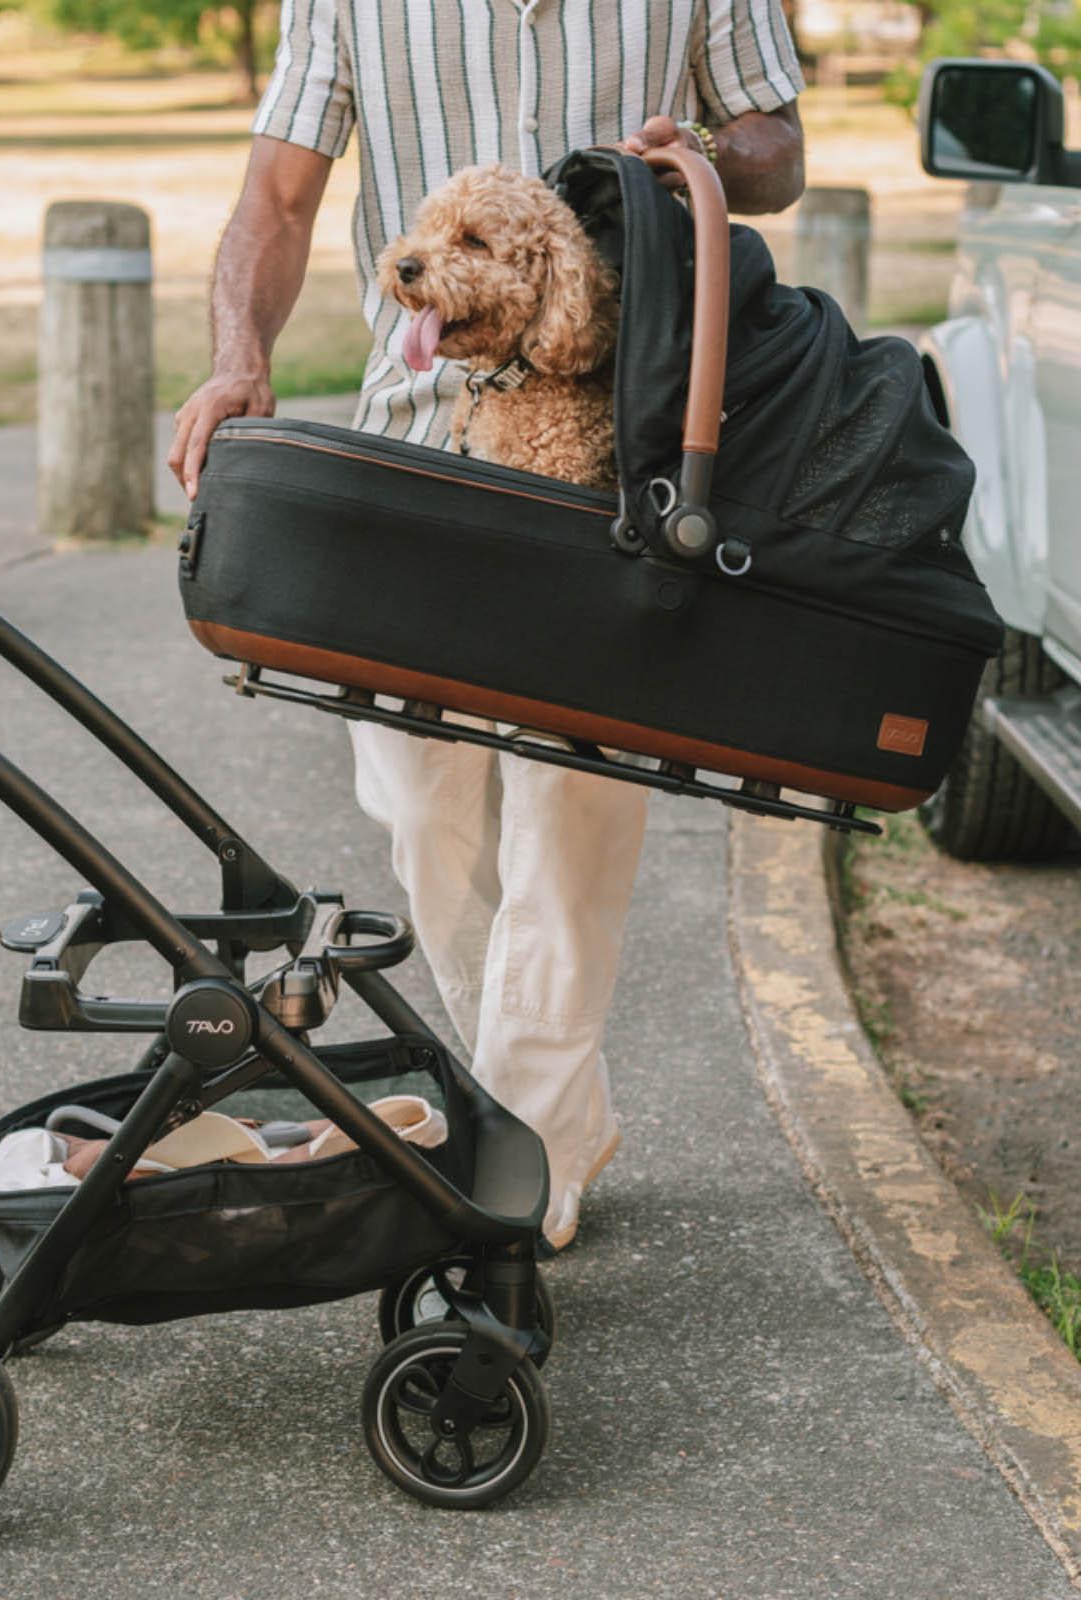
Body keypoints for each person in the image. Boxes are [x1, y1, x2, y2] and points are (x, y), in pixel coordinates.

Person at [168, 3, 806, 1251]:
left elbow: (777, 145)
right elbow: (279, 198)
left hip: (620, 447)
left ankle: (528, 1164)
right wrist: (240, 353)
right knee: (423, 820)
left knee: (570, 824)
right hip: (412, 435)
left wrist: (707, 159)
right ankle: (544, 1112)